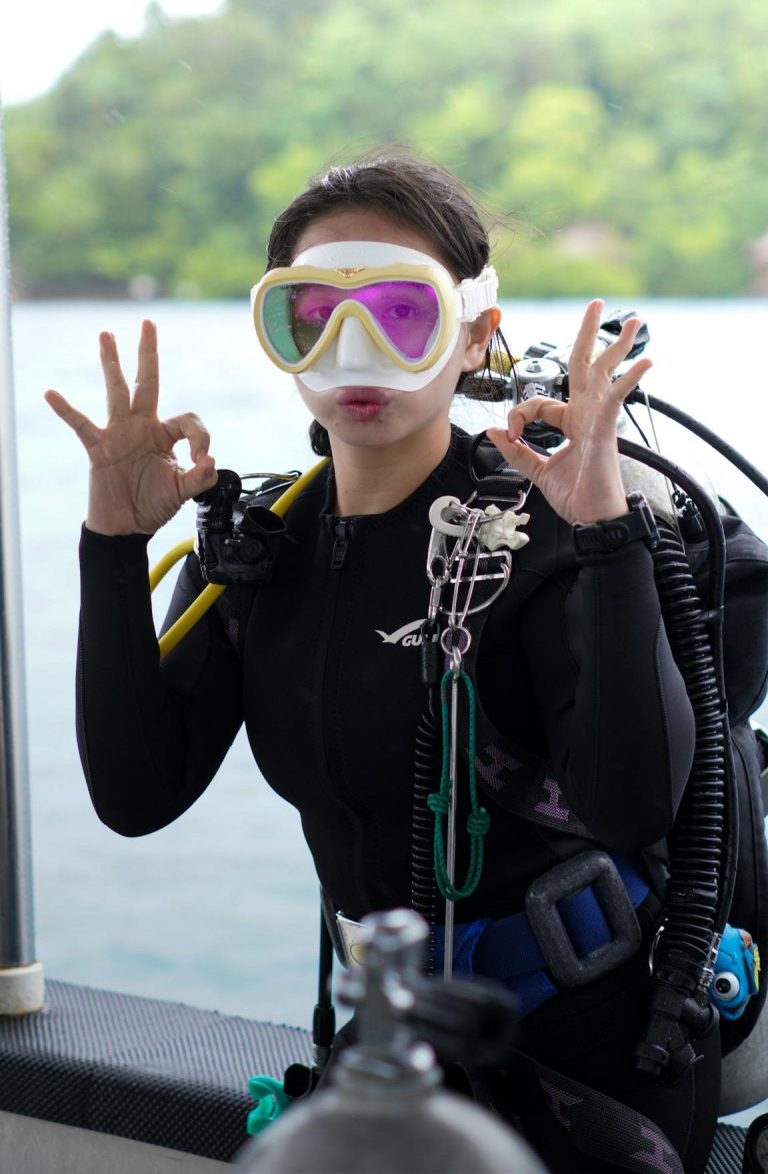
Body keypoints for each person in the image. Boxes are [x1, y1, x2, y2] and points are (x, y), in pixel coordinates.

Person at [45, 154, 722, 1172]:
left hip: (595, 1050)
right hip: (392, 1043)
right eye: (312, 314)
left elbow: (635, 807)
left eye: (404, 314)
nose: (354, 350)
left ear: (475, 333)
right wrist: (111, 544)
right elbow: (136, 794)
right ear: (280, 339)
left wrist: (609, 539)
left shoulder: (541, 535)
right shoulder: (261, 550)